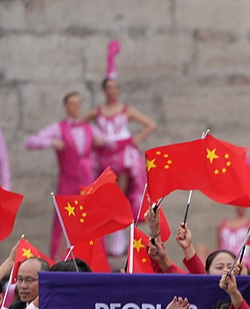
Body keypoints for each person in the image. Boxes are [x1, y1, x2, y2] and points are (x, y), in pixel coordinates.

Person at [85, 40, 157, 254]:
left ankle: (120, 239)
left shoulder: (125, 110)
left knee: (121, 196)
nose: (112, 91)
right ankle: (109, 238)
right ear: (104, 90)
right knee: (106, 196)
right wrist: (93, 139)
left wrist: (136, 139)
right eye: (109, 88)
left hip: (122, 158)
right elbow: (81, 125)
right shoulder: (97, 111)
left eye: (115, 88)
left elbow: (151, 124)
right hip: (103, 158)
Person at [24, 92, 103, 257]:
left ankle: (97, 262)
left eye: (78, 103)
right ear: (66, 106)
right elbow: (30, 142)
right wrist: (51, 142)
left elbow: (108, 141)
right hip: (67, 181)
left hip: (87, 182)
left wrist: (102, 141)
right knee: (61, 223)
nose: (76, 107)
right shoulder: (58, 128)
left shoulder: (90, 128)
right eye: (72, 104)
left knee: (94, 221)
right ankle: (56, 262)